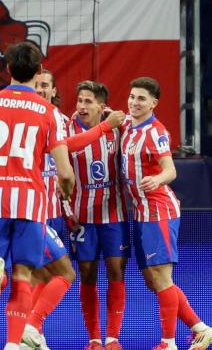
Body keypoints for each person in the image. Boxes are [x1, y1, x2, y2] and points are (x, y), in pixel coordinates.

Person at [0, 41, 75, 350]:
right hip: (31, 202)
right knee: (25, 273)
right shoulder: (49, 112)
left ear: (7, 69)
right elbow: (64, 172)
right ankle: (12, 344)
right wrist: (66, 191)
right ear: (38, 72)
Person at [118, 77, 212, 350]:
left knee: (162, 277)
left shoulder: (155, 131)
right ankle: (201, 328)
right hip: (139, 213)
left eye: (141, 98)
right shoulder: (126, 124)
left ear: (154, 103)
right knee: (153, 280)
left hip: (158, 211)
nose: (134, 102)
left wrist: (158, 179)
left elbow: (170, 170)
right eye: (132, 96)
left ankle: (168, 343)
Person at [65, 80, 129, 350]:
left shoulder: (119, 128)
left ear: (101, 106)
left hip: (114, 214)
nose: (81, 106)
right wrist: (67, 209)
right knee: (87, 274)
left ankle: (112, 338)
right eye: (79, 100)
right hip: (82, 216)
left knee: (116, 272)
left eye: (88, 101)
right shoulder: (68, 127)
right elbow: (66, 150)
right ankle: (93, 338)